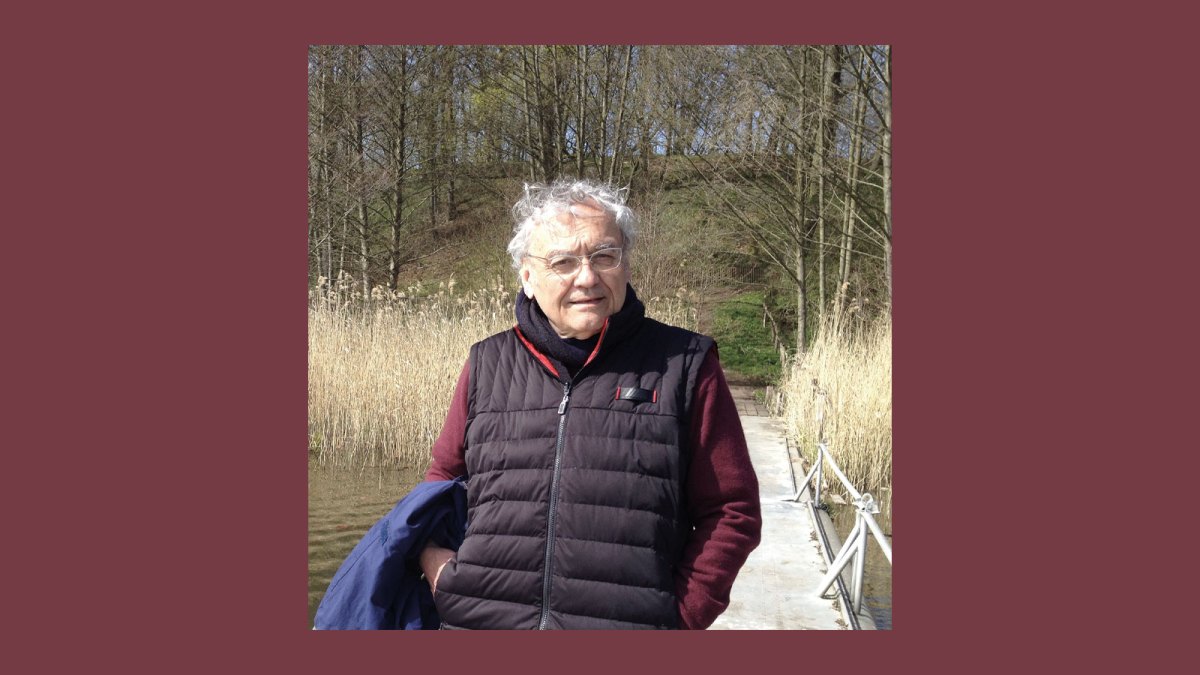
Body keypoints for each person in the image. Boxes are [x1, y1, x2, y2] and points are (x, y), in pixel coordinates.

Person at [419, 179, 761, 630]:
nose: (586, 277)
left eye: (604, 256)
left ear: (626, 264)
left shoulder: (685, 365)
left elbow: (732, 511)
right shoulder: (487, 363)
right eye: (562, 262)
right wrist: (440, 572)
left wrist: (679, 619)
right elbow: (441, 482)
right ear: (527, 276)